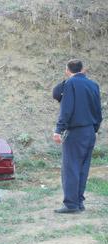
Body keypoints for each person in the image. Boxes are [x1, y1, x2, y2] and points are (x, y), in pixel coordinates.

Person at [53, 59, 102, 214]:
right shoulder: (94, 85)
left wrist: (58, 130)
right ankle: (79, 202)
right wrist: (94, 128)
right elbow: (98, 111)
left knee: (71, 168)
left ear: (67, 70)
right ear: (83, 69)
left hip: (76, 132)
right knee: (82, 169)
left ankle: (71, 205)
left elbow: (66, 109)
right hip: (89, 132)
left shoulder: (71, 84)